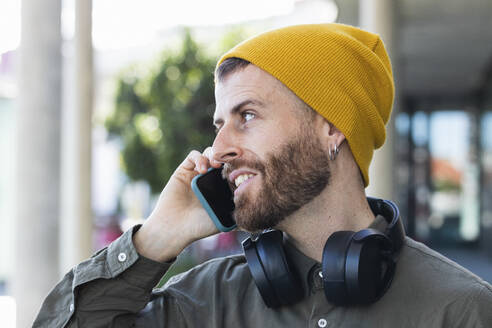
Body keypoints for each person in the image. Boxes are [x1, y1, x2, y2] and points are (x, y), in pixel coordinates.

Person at [34, 23, 492, 327]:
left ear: (330, 127)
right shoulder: (205, 301)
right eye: (219, 124)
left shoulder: (460, 309)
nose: (218, 149)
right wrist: (154, 240)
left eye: (247, 116)